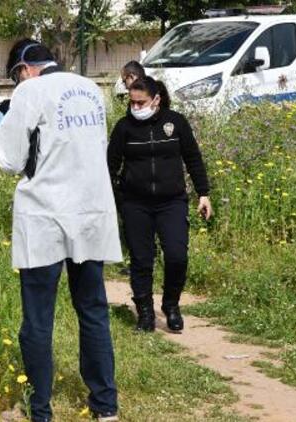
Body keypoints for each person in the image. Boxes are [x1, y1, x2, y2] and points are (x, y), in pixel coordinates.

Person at [0, 39, 122, 422]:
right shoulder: (90, 88)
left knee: (37, 318)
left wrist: (1, 128)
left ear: (23, 69)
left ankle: (40, 410)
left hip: (45, 215)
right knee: (93, 310)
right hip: (90, 213)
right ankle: (105, 406)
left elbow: (11, 160)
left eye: (16, 76)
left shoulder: (29, 91)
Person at [107, 76, 212, 333]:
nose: (136, 107)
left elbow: (193, 158)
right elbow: (109, 166)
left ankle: (171, 305)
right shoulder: (124, 128)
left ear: (156, 99)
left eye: (141, 102)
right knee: (142, 261)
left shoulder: (175, 123)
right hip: (135, 204)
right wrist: (116, 199)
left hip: (171, 202)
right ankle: (145, 313)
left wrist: (203, 193)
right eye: (132, 102)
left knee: (177, 256)